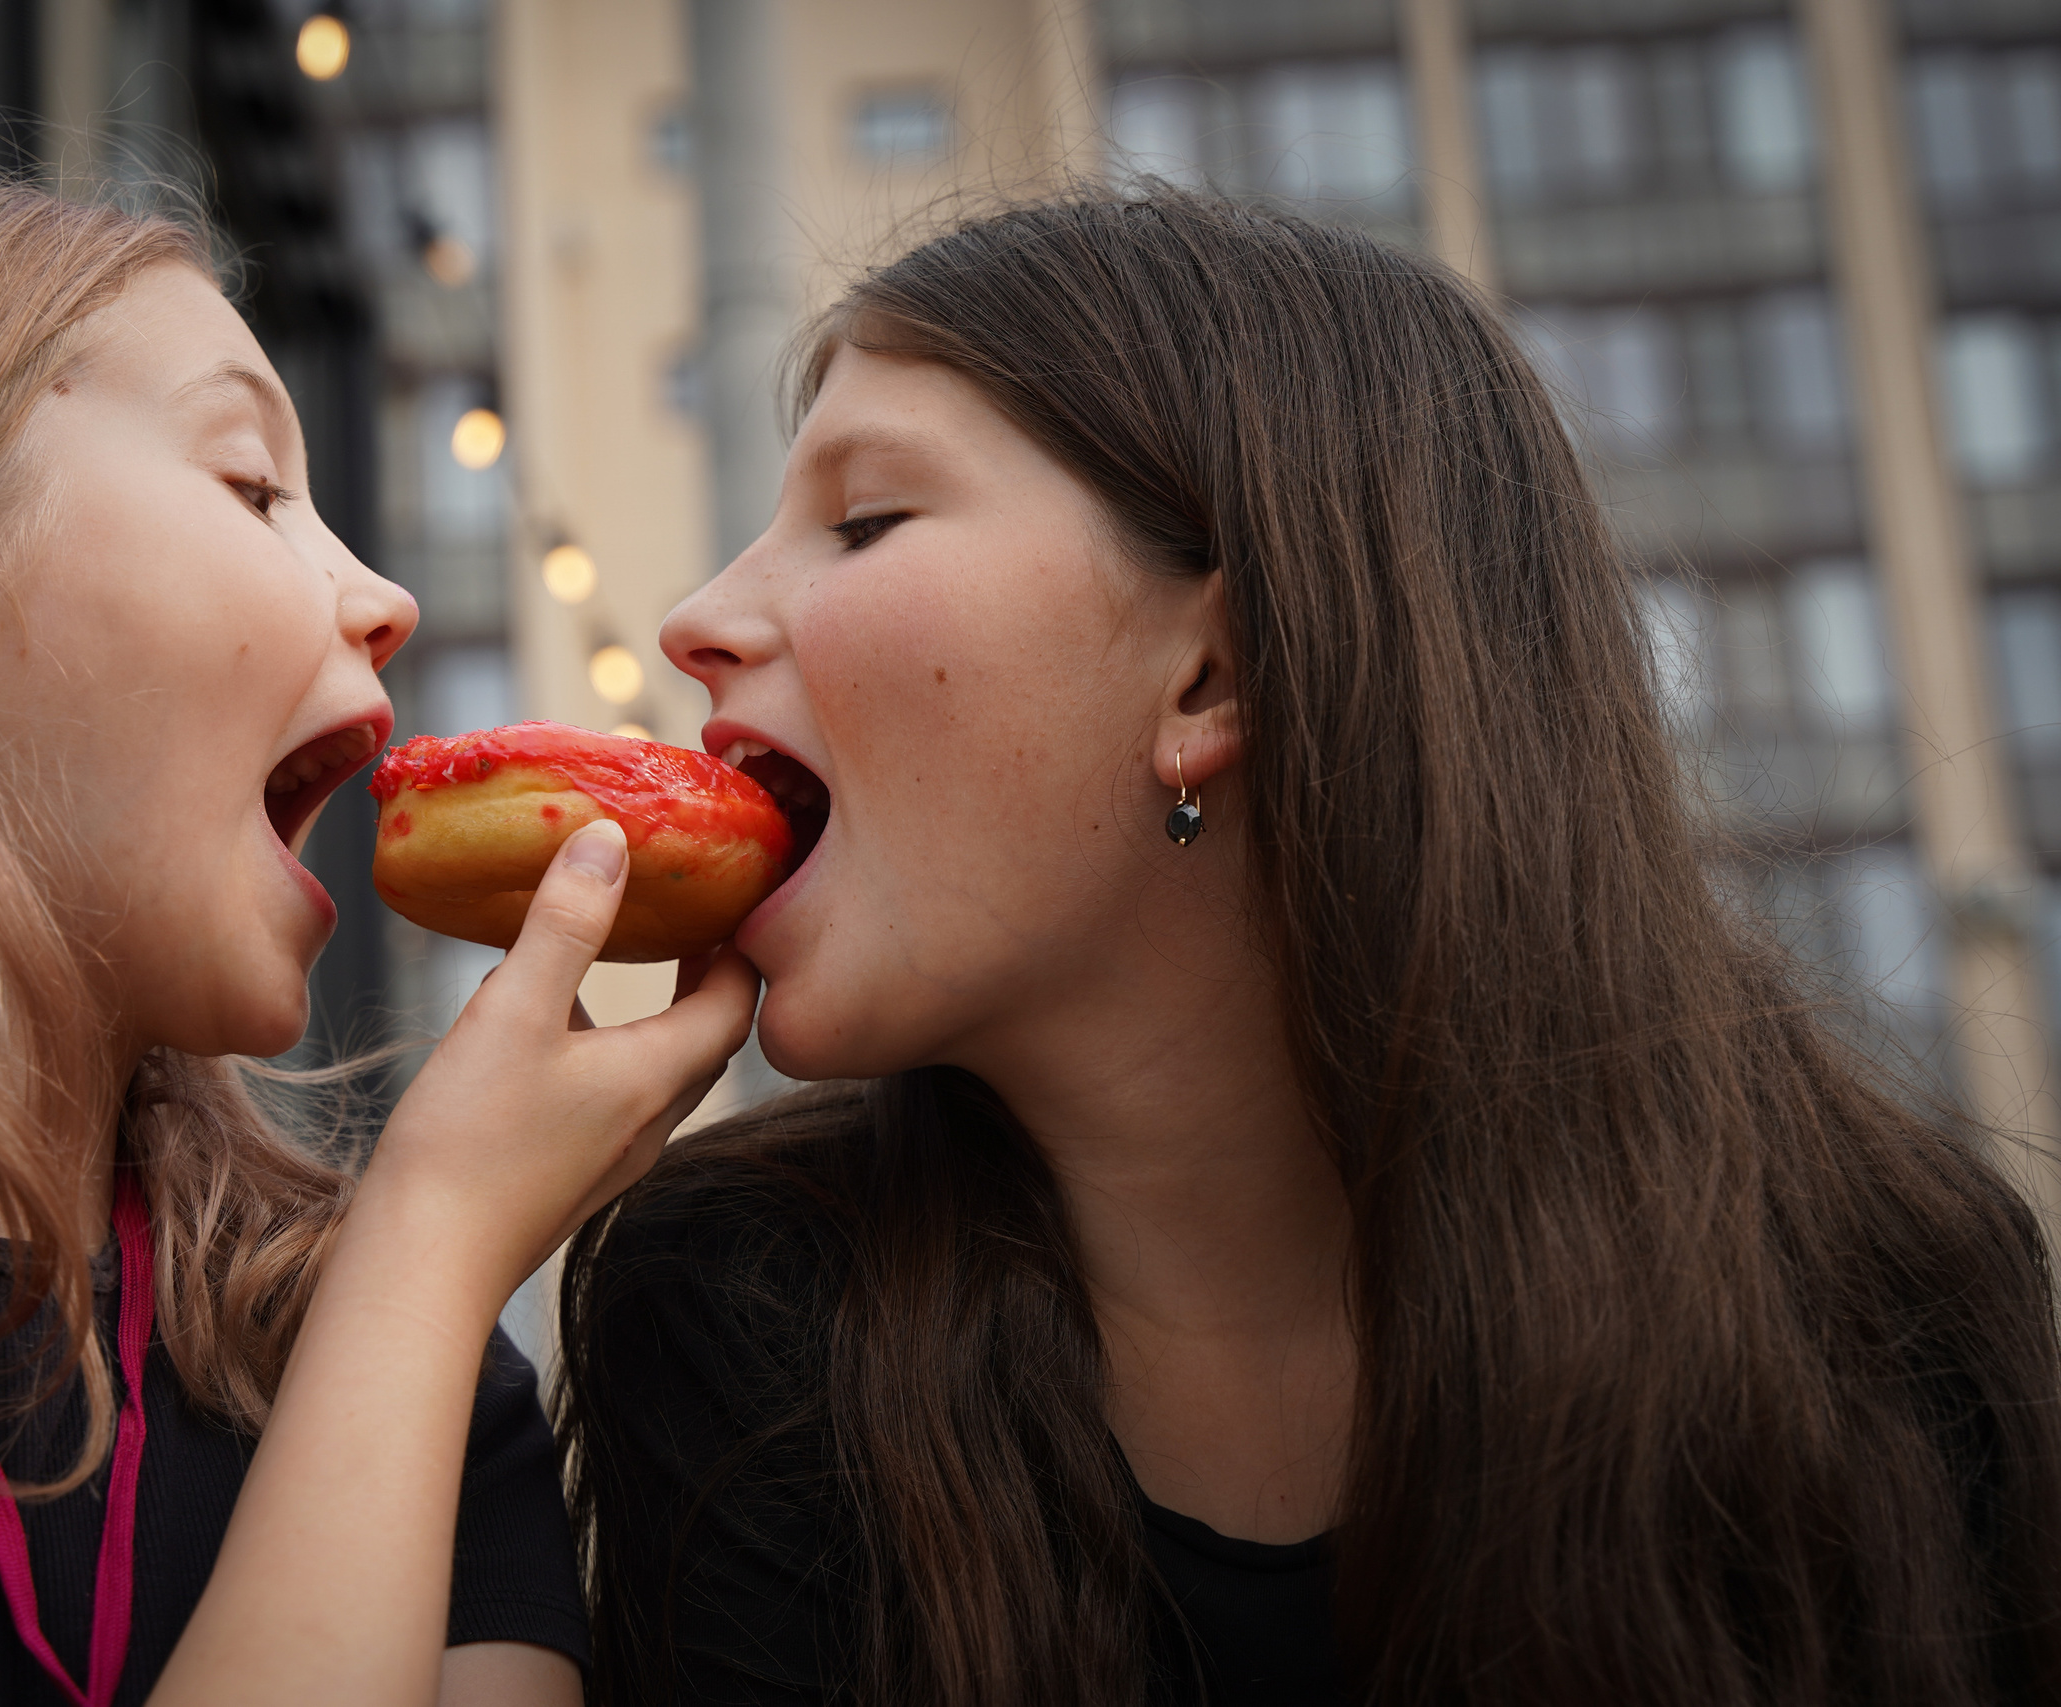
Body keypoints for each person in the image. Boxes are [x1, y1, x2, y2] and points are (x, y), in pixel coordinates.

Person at [554, 191, 2061, 1706]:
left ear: (1211, 673)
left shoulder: (1884, 1316)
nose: (695, 619)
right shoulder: (741, 1308)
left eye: (866, 520)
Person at [0, 172, 757, 1704]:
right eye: (251, 486)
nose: (387, 597)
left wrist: (420, 1268)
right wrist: (428, 1244)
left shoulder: (367, 1362)